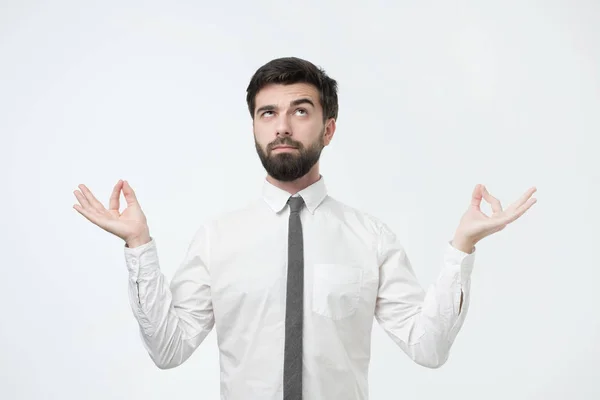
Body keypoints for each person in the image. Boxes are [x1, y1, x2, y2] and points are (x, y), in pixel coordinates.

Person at [73, 57, 537, 400]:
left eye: (299, 111)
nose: (282, 127)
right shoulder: (217, 238)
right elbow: (168, 349)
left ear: (328, 128)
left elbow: (428, 347)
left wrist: (463, 245)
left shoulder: (369, 237)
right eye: (267, 113)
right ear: (254, 126)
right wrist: (138, 245)